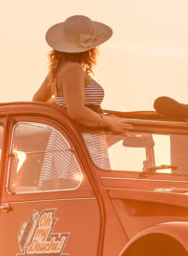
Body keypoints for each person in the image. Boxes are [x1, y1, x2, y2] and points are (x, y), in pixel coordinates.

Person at [33, 15, 131, 179]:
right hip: (81, 138)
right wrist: (108, 122)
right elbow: (77, 111)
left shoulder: (61, 69)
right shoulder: (73, 69)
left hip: (76, 136)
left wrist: (61, 106)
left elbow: (38, 101)